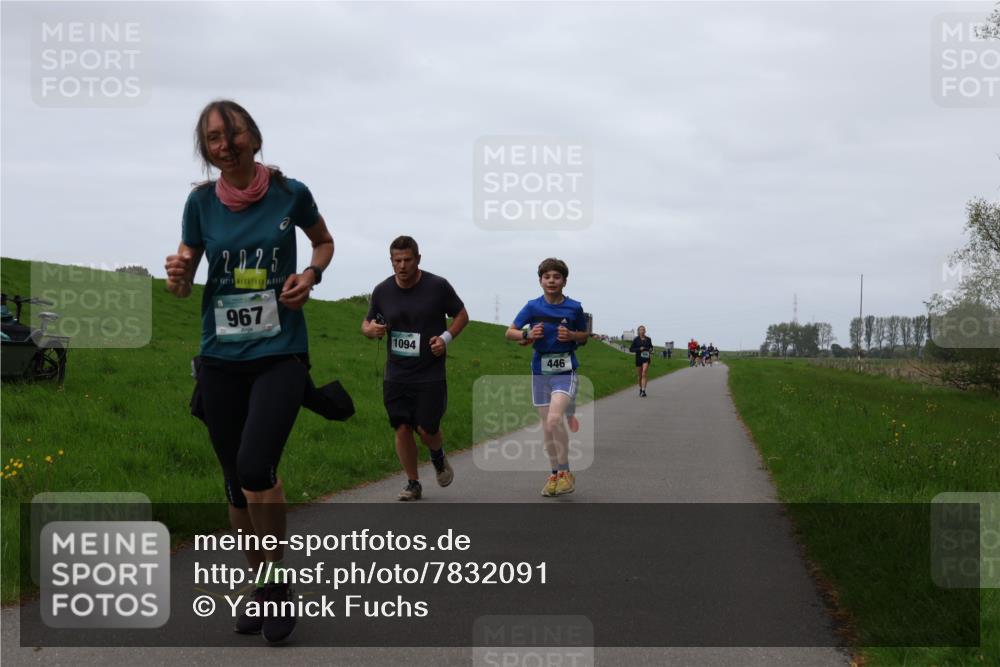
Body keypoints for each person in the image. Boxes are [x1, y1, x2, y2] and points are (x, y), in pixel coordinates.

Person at [164, 100, 334, 643]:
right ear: (207, 150)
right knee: (236, 486)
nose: (225, 143)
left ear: (253, 137)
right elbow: (186, 273)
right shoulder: (199, 203)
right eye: (214, 137)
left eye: (233, 132)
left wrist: (311, 273)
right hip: (220, 357)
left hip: (281, 352)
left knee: (257, 466)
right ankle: (256, 584)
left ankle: (277, 586)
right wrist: (176, 275)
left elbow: (323, 242)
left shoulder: (292, 193)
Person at [361, 236, 468, 501]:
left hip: (429, 371)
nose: (402, 265)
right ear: (391, 261)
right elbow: (367, 324)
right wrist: (371, 330)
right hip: (396, 372)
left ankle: (438, 456)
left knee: (427, 429)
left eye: (407, 259)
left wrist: (445, 339)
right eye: (397, 260)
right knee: (402, 427)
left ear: (418, 259)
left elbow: (462, 315)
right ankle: (413, 483)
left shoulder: (438, 286)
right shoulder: (382, 291)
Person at [506, 258, 589, 497]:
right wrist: (527, 333)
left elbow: (583, 336)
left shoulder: (574, 307)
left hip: (565, 371)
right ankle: (555, 474)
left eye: (556, 277)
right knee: (547, 427)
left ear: (564, 281)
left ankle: (565, 472)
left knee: (554, 420)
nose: (551, 281)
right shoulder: (532, 306)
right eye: (547, 277)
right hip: (540, 371)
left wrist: (572, 334)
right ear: (540, 280)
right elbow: (509, 332)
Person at [629, 325, 653, 397]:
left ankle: (643, 390)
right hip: (639, 358)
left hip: (646, 358)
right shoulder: (636, 339)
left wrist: (651, 349)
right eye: (640, 330)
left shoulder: (648, 339)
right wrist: (639, 349)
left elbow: (651, 347)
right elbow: (631, 349)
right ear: (638, 331)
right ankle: (640, 388)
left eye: (643, 330)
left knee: (644, 373)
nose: (642, 331)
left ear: (645, 331)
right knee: (639, 376)